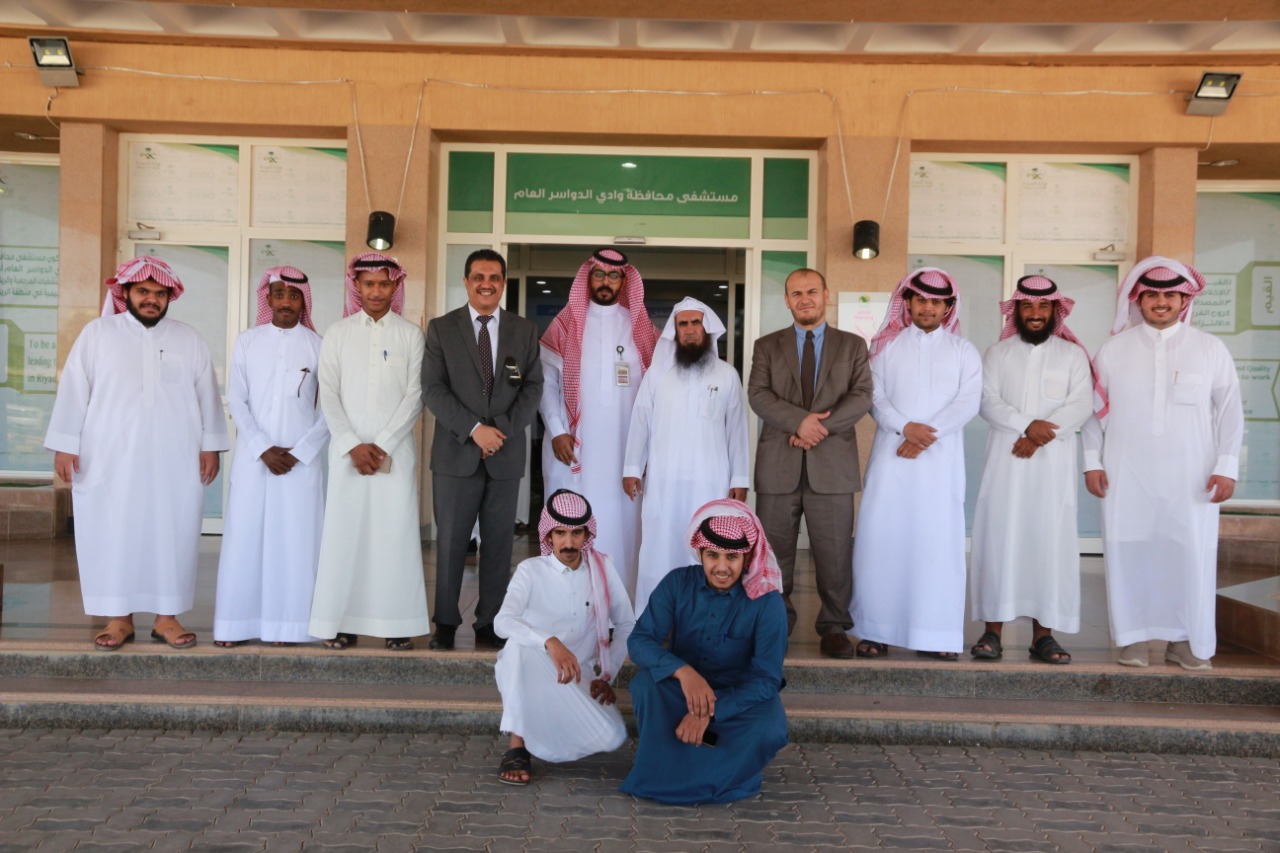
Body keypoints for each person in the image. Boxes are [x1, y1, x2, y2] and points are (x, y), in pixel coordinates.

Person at [45, 256, 229, 651]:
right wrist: (65, 444)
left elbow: (207, 396)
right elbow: (74, 389)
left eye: (160, 294)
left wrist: (211, 445)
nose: (151, 299)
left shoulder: (188, 338)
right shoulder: (98, 334)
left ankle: (167, 617)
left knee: (173, 531)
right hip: (108, 456)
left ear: (169, 297)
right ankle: (118, 618)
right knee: (112, 531)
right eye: (143, 291)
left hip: (175, 458)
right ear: (125, 292)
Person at [1083, 256, 1243, 670]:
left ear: (1184, 300)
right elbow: (1092, 412)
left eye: (1170, 294)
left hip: (1192, 475)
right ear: (1137, 300)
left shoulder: (1209, 348)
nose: (1160, 302)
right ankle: (1132, 638)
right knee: (1129, 551)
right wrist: (1091, 461)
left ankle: (1185, 641)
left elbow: (1230, 411)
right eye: (1152, 294)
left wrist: (1226, 465)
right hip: (1126, 473)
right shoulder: (1114, 350)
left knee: (1188, 554)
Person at [850, 268, 981, 660]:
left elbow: (968, 402)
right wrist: (905, 428)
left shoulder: (964, 351)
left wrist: (926, 434)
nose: (928, 307)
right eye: (921, 299)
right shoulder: (885, 348)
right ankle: (875, 630)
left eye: (936, 302)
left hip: (940, 467)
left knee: (936, 547)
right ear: (906, 302)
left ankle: (935, 635)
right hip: (892, 461)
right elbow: (875, 397)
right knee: (881, 543)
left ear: (948, 307)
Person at [621, 499, 788, 805]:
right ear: (700, 553)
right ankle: (666, 773)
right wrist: (684, 673)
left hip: (737, 698)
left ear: (747, 556)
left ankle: (700, 774)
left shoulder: (767, 602)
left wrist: (710, 711)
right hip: (683, 691)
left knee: (770, 725)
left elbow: (767, 680)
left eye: (732, 557)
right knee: (646, 685)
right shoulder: (677, 583)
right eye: (712, 555)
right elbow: (640, 641)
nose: (721, 567)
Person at [968, 275, 1094, 665]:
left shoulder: (1073, 355)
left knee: (1048, 544)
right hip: (1006, 465)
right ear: (1017, 311)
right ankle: (992, 632)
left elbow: (1081, 404)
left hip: (1052, 469)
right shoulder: (997, 353)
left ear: (1056, 311)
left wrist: (1038, 437)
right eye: (1027, 306)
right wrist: (1027, 425)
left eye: (1043, 307)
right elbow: (986, 401)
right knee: (999, 540)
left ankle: (1044, 636)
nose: (1035, 313)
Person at [423, 248, 544, 651]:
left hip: (504, 455)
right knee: (451, 542)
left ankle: (490, 621)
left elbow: (533, 387)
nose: (486, 284)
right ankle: (445, 622)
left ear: (503, 283)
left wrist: (499, 431)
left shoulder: (524, 330)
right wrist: (475, 430)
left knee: (499, 544)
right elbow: (433, 389)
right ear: (466, 281)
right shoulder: (442, 329)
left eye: (494, 277)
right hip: (456, 453)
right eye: (478, 277)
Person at [748, 268, 872, 658]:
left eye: (812, 291)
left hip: (832, 467)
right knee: (774, 554)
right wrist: (799, 422)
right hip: (778, 467)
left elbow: (862, 395)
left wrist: (818, 429)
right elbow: (758, 394)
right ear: (787, 300)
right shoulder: (767, 346)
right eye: (796, 293)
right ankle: (775, 623)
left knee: (835, 555)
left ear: (826, 295)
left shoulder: (853, 345)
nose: (805, 299)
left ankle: (834, 627)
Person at [308, 252, 429, 651]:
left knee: (394, 537)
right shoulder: (338, 333)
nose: (376, 291)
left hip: (395, 453)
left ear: (395, 286)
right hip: (348, 455)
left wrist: (382, 444)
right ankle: (341, 622)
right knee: (346, 537)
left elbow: (416, 394)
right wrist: (352, 445)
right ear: (356, 286)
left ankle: (397, 623)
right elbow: (328, 394)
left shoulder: (411, 335)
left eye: (383, 284)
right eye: (369, 284)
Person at [214, 266, 328, 647]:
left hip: (300, 463)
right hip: (254, 459)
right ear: (269, 298)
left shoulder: (318, 345)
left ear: (303, 301)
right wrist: (262, 447)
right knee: (245, 540)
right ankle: (235, 626)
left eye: (293, 295)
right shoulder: (247, 342)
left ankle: (289, 627)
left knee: (295, 543)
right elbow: (237, 400)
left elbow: (331, 408)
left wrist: (301, 452)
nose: (286, 302)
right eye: (279, 294)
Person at [492, 489, 636, 785]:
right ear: (549, 535)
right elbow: (502, 621)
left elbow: (626, 624)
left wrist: (607, 674)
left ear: (587, 534)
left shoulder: (602, 568)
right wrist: (550, 642)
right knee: (517, 647)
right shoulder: (531, 571)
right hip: (534, 668)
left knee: (611, 736)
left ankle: (547, 731)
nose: (568, 543)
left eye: (576, 533)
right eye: (560, 533)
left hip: (577, 676)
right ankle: (517, 745)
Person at [539, 249, 659, 597]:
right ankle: (569, 603)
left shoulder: (640, 328)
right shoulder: (565, 325)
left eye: (614, 275)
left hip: (626, 452)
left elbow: (656, 390)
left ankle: (622, 603)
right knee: (572, 521)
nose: (606, 281)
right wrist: (558, 430)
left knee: (625, 528)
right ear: (588, 278)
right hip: (576, 449)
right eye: (599, 274)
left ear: (624, 281)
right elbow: (546, 384)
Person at [623, 297, 750, 617]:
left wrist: (740, 478)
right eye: (684, 324)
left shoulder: (727, 375)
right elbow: (640, 422)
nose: (690, 329)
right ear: (674, 331)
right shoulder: (657, 375)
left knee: (707, 544)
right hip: (664, 482)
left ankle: (705, 615)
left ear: (707, 329)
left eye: (696, 323)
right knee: (660, 546)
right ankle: (654, 616)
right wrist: (632, 468)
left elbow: (737, 430)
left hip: (711, 481)